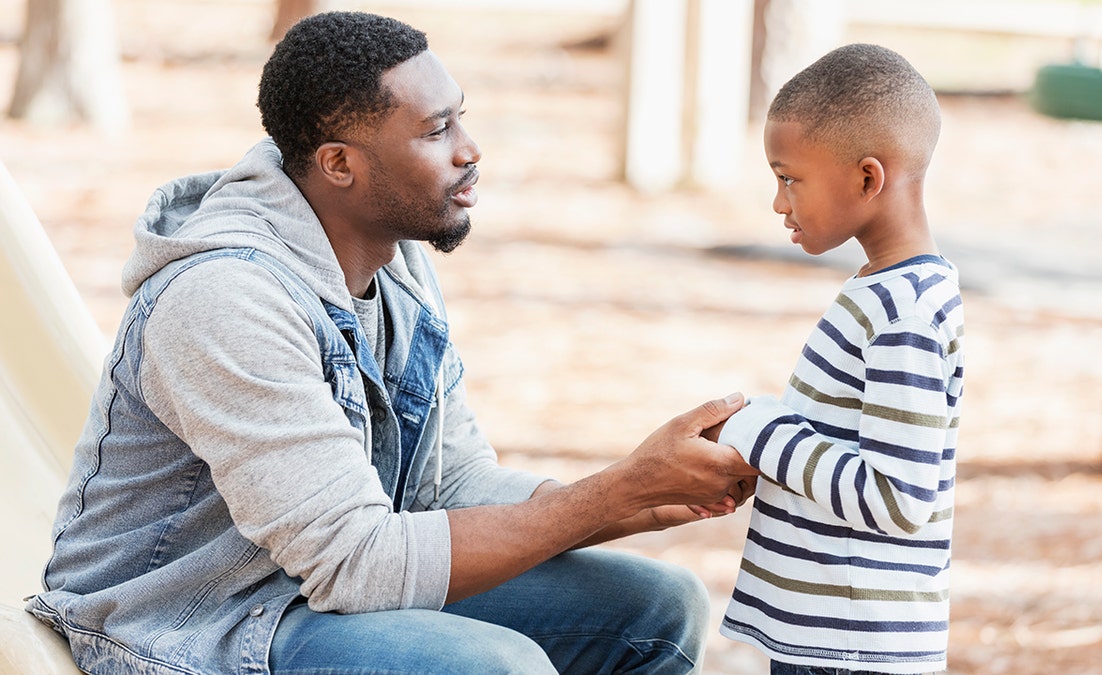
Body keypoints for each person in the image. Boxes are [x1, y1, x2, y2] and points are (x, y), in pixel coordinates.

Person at [26, 11, 758, 675]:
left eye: (460, 119)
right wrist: (618, 489)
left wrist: (647, 496)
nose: (471, 151)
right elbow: (357, 564)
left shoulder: (392, 255)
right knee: (493, 668)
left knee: (659, 608)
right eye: (436, 131)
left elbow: (450, 486)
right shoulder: (225, 299)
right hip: (184, 624)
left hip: (307, 590)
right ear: (341, 164)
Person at [707, 44, 966, 674]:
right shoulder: (884, 291)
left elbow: (899, 496)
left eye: (789, 177)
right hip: (834, 640)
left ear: (868, 178)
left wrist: (760, 430)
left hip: (853, 650)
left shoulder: (904, 311)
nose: (777, 202)